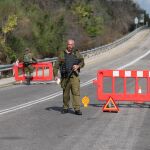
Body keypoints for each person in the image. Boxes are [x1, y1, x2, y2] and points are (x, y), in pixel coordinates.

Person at [53, 39, 85, 115]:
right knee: (66, 94)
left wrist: (78, 66)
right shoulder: (62, 54)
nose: (70, 46)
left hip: (74, 76)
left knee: (76, 92)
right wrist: (55, 75)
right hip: (65, 77)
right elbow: (56, 66)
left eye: (71, 44)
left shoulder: (76, 53)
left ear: (73, 45)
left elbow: (82, 62)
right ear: (67, 45)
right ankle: (65, 107)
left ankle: (77, 109)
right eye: (69, 44)